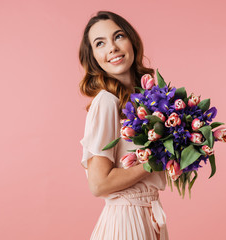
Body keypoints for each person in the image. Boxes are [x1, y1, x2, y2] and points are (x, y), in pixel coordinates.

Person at [78, 11, 169, 240]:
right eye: (100, 43)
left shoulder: (145, 100)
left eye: (118, 37)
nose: (112, 48)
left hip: (148, 217)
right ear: (93, 58)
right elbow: (98, 184)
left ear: (132, 41)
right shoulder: (107, 101)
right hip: (125, 223)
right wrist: (155, 160)